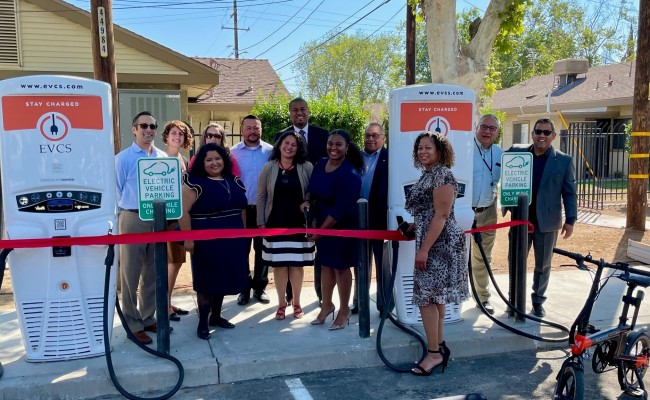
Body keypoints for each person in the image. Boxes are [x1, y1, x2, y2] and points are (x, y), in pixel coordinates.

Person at [405, 132, 468, 376]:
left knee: (426, 298)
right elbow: (430, 212)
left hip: (439, 245)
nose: (423, 152)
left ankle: (433, 355)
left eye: (428, 148)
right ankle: (439, 347)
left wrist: (423, 249)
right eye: (420, 148)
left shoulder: (442, 174)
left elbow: (442, 215)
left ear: (440, 151)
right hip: (433, 239)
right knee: (434, 298)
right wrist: (414, 226)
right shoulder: (429, 174)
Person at [505, 118, 577, 318]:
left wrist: (571, 219)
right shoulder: (518, 155)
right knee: (515, 261)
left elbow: (570, 193)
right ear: (532, 134)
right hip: (520, 220)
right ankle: (514, 300)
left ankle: (538, 301)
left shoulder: (564, 161)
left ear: (553, 136)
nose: (542, 136)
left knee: (543, 264)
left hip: (547, 221)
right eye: (538, 131)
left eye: (547, 132)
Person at [178, 143, 249, 340]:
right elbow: (182, 212)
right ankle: (202, 323)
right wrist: (188, 238)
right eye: (209, 160)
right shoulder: (194, 183)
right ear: (202, 162)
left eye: (217, 158)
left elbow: (241, 209)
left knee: (224, 278)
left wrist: (242, 234)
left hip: (233, 238)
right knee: (207, 281)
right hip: (206, 241)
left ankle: (216, 317)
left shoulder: (233, 180)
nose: (214, 163)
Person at [115, 111, 168, 345]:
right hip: (132, 218)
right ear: (134, 129)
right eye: (143, 125)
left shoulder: (163, 157)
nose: (148, 129)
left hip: (157, 219)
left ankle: (147, 317)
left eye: (153, 126)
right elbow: (116, 190)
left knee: (152, 272)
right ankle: (132, 323)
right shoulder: (123, 158)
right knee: (130, 274)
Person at [302, 129, 362, 330]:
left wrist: (320, 231)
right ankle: (327, 305)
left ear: (346, 147)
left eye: (338, 144)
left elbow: (341, 209)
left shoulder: (350, 174)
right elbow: (312, 186)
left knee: (341, 268)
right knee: (325, 265)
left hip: (341, 226)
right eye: (330, 144)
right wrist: (307, 200)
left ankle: (344, 310)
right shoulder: (320, 163)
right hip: (322, 223)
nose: (333, 148)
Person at [276, 97, 328, 306]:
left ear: (308, 112)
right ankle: (289, 296)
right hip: (291, 204)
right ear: (290, 113)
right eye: (295, 110)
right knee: (289, 251)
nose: (299, 113)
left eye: (303, 109)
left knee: (319, 250)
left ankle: (320, 293)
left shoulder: (323, 135)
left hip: (319, 200)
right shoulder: (281, 136)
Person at [257, 131, 315, 320]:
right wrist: (261, 223)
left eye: (294, 145)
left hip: (299, 224)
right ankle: (281, 304)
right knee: (280, 266)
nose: (289, 147)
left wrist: (307, 201)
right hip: (275, 223)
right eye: (286, 143)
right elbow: (261, 196)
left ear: (298, 149)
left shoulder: (306, 167)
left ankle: (297, 303)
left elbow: (313, 193)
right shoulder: (268, 168)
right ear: (279, 145)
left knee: (297, 266)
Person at [231, 115, 273, 306]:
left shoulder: (271, 152)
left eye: (256, 128)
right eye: (248, 128)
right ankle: (243, 289)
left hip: (264, 209)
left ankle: (260, 288)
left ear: (261, 130)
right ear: (242, 131)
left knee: (262, 249)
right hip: (241, 209)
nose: (252, 131)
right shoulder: (233, 153)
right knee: (241, 250)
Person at [351, 122, 388, 314]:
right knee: (361, 265)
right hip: (358, 220)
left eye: (375, 135)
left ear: (383, 138)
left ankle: (384, 304)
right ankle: (360, 301)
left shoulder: (390, 158)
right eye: (367, 135)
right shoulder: (355, 158)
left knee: (382, 265)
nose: (371, 139)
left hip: (381, 220)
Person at [470, 114, 504, 315]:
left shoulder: (500, 154)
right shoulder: (465, 150)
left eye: (492, 128)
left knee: (483, 256)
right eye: (484, 127)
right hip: (463, 210)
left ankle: (482, 298)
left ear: (497, 133)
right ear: (477, 128)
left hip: (488, 210)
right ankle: (454, 299)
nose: (487, 131)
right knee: (457, 256)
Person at [161, 120, 193, 322]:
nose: (177, 137)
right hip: (163, 218)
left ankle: (167, 301)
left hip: (179, 217)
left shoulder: (183, 160)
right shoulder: (158, 158)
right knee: (169, 263)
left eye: (181, 134)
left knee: (177, 262)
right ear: (166, 136)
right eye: (173, 133)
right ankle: (163, 305)